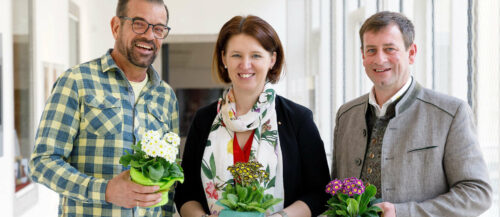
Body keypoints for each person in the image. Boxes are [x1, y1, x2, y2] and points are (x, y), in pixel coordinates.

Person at [331, 11, 492, 217]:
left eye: (390, 49)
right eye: (371, 50)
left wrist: (403, 212)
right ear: (363, 55)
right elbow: (336, 189)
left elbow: (477, 193)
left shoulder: (451, 113)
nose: (380, 59)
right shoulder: (346, 115)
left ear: (412, 52)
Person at [28, 0, 179, 216]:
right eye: (139, 24)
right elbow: (42, 163)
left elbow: (169, 181)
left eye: (158, 28)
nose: (149, 35)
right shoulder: (76, 82)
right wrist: (105, 190)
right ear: (116, 27)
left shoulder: (166, 96)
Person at [174, 15, 331, 217]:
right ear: (224, 59)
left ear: (272, 60)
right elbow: (186, 192)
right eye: (236, 55)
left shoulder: (298, 119)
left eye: (256, 55)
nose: (245, 64)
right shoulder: (204, 120)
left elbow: (320, 193)